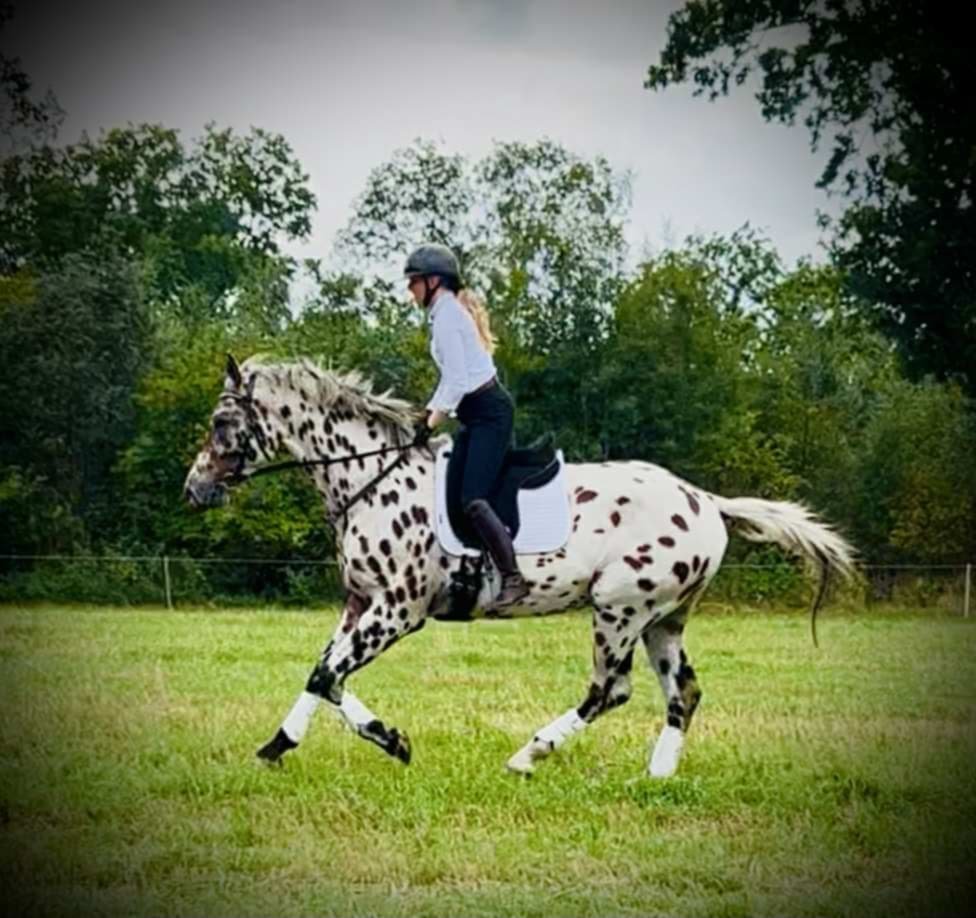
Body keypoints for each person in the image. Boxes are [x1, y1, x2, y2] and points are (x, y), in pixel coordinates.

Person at [405, 242, 530, 609]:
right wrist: (427, 413)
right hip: (474, 415)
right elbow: (452, 380)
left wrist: (431, 421)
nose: (410, 290)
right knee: (451, 493)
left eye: (414, 281)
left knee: (474, 500)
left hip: (489, 414)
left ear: (433, 281)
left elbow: (457, 380)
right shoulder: (444, 314)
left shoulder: (447, 317)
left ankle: (513, 577)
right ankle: (470, 572)